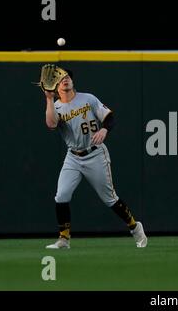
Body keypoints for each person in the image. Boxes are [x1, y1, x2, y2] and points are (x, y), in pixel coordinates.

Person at [42, 66, 147, 249]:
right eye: (61, 78)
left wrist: (105, 129)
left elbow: (109, 117)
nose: (65, 79)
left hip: (95, 153)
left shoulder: (88, 98)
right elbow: (51, 124)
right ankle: (63, 239)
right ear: (55, 85)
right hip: (73, 157)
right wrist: (49, 99)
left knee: (110, 199)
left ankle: (135, 227)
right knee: (61, 196)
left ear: (72, 81)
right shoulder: (56, 106)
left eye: (68, 77)